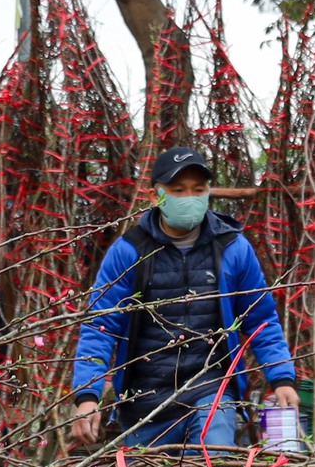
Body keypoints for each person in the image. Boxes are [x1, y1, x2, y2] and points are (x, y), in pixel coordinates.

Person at [71, 147, 302, 449]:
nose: (189, 197)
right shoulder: (129, 251)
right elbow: (101, 326)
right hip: (144, 400)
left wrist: (282, 378)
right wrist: (87, 396)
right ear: (156, 197)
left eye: (198, 189)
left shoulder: (232, 248)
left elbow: (261, 320)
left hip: (212, 390)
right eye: (178, 190)